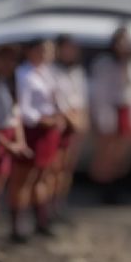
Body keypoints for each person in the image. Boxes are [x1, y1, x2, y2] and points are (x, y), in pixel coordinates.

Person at [11, 38, 65, 240]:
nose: (45, 55)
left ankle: (41, 220)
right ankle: (18, 224)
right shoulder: (23, 74)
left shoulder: (47, 72)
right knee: (24, 179)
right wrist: (43, 120)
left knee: (42, 175)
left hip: (47, 130)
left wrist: (57, 116)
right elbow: (23, 109)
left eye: (49, 51)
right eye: (41, 50)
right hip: (33, 129)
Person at [0, 45, 31, 256]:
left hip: (7, 139)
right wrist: (8, 144)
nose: (8, 65)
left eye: (12, 61)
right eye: (3, 60)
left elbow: (15, 115)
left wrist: (20, 141)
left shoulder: (8, 83)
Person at [89, 27, 131, 204]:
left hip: (127, 110)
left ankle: (116, 188)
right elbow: (98, 92)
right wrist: (101, 117)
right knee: (106, 154)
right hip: (108, 110)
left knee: (121, 155)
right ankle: (104, 190)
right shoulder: (104, 64)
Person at [52, 34, 89, 218]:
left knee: (67, 168)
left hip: (75, 123)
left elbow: (81, 98)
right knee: (54, 169)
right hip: (61, 123)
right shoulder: (52, 71)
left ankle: (60, 203)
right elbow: (57, 100)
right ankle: (47, 207)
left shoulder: (77, 72)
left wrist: (81, 120)